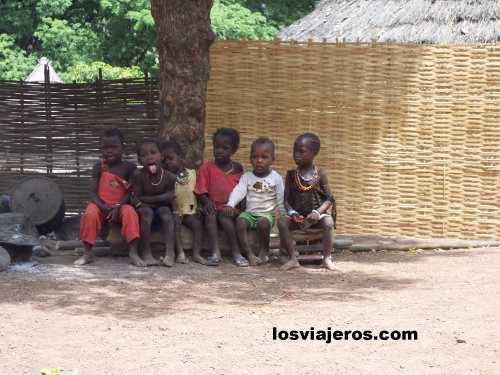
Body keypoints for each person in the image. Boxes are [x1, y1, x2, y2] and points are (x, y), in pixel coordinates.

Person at [75, 128, 141, 266]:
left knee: (131, 214)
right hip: (101, 205)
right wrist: (101, 206)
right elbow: (92, 193)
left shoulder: (129, 168)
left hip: (122, 205)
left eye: (114, 147)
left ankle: (133, 252)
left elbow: (131, 192)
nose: (109, 151)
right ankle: (88, 252)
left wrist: (119, 205)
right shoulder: (98, 167)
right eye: (105, 147)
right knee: (90, 213)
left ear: (123, 147)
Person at [278, 133, 338, 271]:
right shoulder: (291, 175)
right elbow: (286, 200)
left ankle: (327, 258)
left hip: (316, 215)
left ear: (314, 153)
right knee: (282, 222)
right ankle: (293, 258)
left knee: (329, 222)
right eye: (295, 151)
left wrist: (318, 212)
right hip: (297, 216)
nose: (296, 154)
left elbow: (329, 198)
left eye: (301, 151)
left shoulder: (320, 175)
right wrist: (292, 213)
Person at [223, 137, 285, 266]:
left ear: (273, 159)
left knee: (263, 223)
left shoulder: (276, 178)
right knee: (240, 222)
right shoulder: (247, 177)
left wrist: (283, 215)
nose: (259, 161)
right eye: (255, 157)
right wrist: (230, 204)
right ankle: (249, 254)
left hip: (267, 215)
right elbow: (238, 191)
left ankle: (264, 251)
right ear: (250, 159)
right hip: (250, 214)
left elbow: (281, 198)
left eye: (264, 157)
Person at [194, 128, 246, 266]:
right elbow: (200, 190)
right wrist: (206, 202)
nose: (219, 150)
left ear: (234, 150)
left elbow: (242, 190)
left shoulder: (238, 169)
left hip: (230, 208)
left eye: (225, 148)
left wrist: (235, 206)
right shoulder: (207, 167)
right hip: (212, 205)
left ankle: (236, 252)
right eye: (217, 147)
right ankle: (215, 252)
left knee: (224, 215)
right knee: (210, 214)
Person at [131, 139, 176, 267]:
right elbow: (137, 198)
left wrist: (150, 200)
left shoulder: (170, 177)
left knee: (166, 212)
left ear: (161, 156)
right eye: (144, 155)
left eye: (153, 152)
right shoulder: (138, 175)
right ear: (139, 160)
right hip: (144, 210)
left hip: (161, 208)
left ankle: (170, 253)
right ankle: (146, 253)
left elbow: (170, 196)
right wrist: (158, 199)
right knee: (146, 212)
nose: (149, 157)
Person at [162, 140, 205, 265]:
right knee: (175, 225)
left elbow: (198, 191)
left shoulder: (192, 173)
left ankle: (196, 253)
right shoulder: (166, 176)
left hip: (190, 210)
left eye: (171, 158)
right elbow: (168, 195)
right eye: (165, 160)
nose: (168, 162)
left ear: (181, 157)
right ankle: (180, 253)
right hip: (174, 211)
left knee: (197, 225)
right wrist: (174, 210)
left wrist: (200, 206)